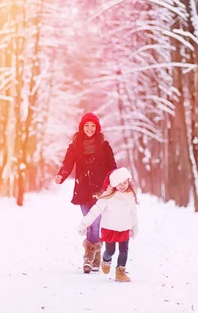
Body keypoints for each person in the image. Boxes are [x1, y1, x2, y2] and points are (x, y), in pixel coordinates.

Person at [54, 112, 117, 273]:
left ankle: (88, 258)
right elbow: (67, 163)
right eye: (87, 125)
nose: (90, 128)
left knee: (94, 221)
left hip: (100, 190)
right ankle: (95, 257)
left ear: (97, 128)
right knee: (89, 221)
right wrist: (61, 175)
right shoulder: (75, 145)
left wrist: (116, 183)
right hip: (82, 188)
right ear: (82, 127)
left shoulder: (104, 145)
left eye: (93, 126)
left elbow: (112, 166)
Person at [77, 167, 139, 282]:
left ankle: (120, 272)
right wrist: (83, 224)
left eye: (125, 182)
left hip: (125, 229)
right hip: (110, 229)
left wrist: (135, 227)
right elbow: (94, 212)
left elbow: (133, 214)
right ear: (114, 183)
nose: (122, 186)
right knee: (111, 251)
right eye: (119, 183)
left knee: (124, 251)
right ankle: (106, 259)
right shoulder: (107, 197)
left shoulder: (130, 196)